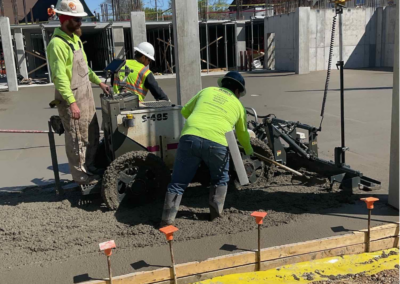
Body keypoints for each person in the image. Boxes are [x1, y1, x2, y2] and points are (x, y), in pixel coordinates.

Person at [160, 72, 254, 227]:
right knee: (220, 179)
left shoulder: (207, 91)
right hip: (217, 142)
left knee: (177, 182)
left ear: (223, 84)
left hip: (190, 137)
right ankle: (215, 217)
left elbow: (185, 111)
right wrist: (249, 150)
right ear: (238, 91)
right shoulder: (238, 105)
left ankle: (166, 221)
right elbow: (242, 134)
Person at [47, 0, 110, 185]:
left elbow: (85, 69)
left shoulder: (75, 39)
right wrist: (72, 102)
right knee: (77, 139)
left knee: (90, 133)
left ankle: (89, 167)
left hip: (86, 96)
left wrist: (99, 82)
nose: (80, 23)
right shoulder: (57, 44)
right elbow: (60, 78)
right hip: (72, 99)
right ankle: (81, 177)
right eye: (76, 20)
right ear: (65, 19)